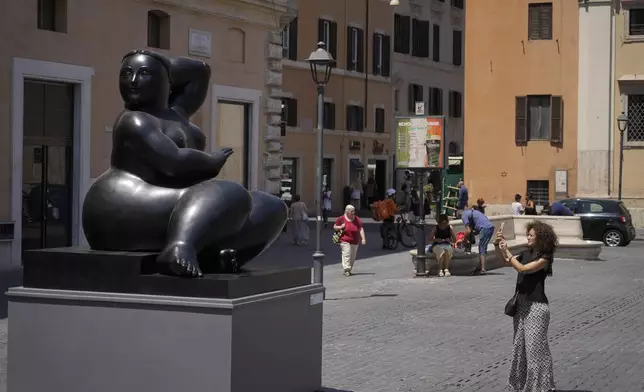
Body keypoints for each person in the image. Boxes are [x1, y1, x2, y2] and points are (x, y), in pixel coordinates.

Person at [81, 50, 287, 276]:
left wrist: (161, 65)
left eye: (143, 74)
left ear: (164, 81)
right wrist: (211, 161)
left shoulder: (175, 113)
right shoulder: (133, 120)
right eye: (126, 74)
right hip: (119, 207)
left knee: (270, 207)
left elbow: (200, 71)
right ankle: (179, 247)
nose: (132, 81)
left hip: (167, 202)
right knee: (231, 193)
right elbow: (173, 161)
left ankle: (218, 258)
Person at [495, 221, 557, 392]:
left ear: (541, 237)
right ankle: (521, 385)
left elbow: (523, 269)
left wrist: (508, 251)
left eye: (531, 235)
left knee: (535, 348)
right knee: (520, 347)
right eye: (528, 234)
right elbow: (505, 262)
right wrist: (498, 245)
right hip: (521, 306)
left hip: (537, 308)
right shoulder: (525, 253)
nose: (528, 237)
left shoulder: (545, 257)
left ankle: (541, 386)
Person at [333, 205, 366, 276]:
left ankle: (349, 269)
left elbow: (361, 228)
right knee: (346, 254)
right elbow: (335, 227)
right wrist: (341, 227)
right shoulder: (341, 218)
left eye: (354, 211)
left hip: (355, 240)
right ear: (347, 211)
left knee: (352, 256)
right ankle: (347, 269)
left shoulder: (356, 219)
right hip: (345, 240)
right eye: (351, 211)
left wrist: (363, 238)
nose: (353, 212)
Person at [462, 208, 495, 275]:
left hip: (485, 228)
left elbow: (468, 230)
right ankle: (480, 267)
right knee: (482, 247)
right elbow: (477, 226)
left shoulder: (464, 216)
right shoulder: (474, 212)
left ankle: (482, 269)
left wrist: (464, 240)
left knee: (482, 247)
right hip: (490, 227)